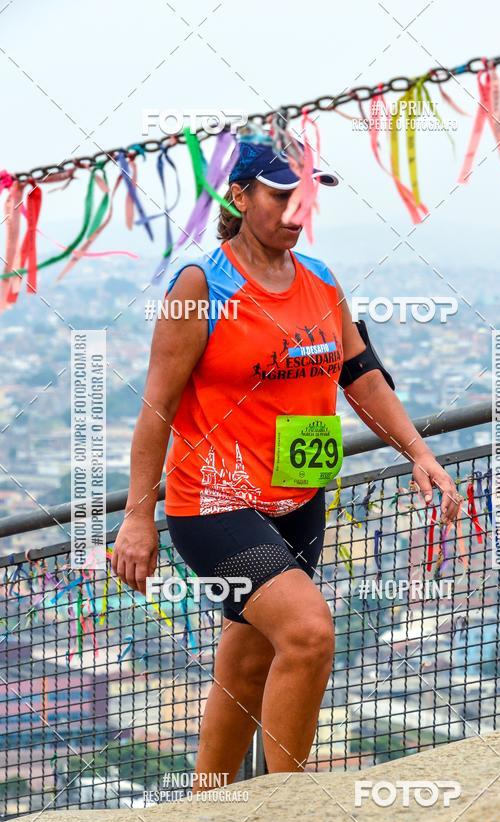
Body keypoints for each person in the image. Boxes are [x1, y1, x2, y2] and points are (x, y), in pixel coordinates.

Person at [111, 138, 461, 784]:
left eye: (305, 197)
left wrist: (419, 453)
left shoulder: (321, 280)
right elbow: (156, 407)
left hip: (300, 497)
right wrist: (137, 517)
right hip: (215, 504)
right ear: (239, 197)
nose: (297, 211)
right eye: (280, 196)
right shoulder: (200, 285)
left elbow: (361, 376)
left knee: (248, 663)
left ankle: (208, 811)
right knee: (308, 633)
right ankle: (287, 807)